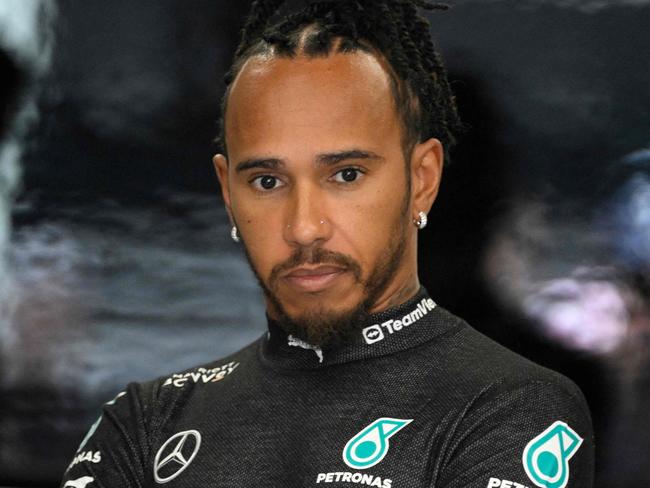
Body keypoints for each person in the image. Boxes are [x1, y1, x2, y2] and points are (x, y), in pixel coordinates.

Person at [60, 1, 595, 487]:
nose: (304, 227)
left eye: (345, 175)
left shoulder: (510, 405)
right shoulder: (146, 420)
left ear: (423, 179)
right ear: (228, 194)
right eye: (267, 181)